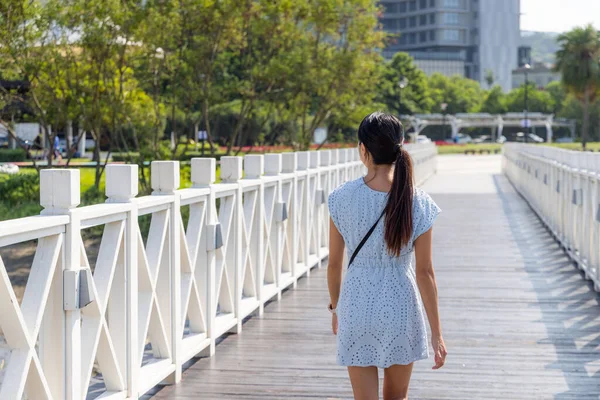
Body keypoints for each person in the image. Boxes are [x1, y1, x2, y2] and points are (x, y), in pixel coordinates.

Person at [327, 112, 447, 400]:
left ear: (363, 150)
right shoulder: (417, 201)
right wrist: (437, 333)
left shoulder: (340, 198)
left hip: (355, 306)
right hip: (401, 308)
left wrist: (335, 309)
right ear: (400, 147)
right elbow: (425, 273)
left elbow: (334, 265)